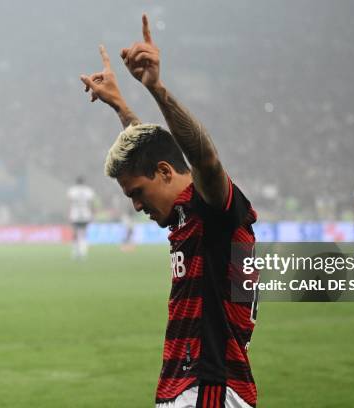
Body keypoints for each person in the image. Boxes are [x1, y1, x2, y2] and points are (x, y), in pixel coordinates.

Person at [80, 14, 258, 408]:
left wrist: (157, 89)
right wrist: (121, 105)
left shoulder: (214, 211)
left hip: (209, 388)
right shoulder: (183, 213)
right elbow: (156, 150)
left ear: (165, 173)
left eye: (137, 193)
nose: (137, 205)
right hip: (188, 386)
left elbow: (204, 159)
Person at [67, 176, 95, 259]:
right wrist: (92, 214)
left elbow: (69, 203)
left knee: (75, 233)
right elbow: (91, 203)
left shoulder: (72, 190)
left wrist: (68, 214)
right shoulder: (88, 191)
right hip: (85, 214)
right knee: (84, 233)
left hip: (75, 214)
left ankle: (75, 252)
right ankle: (83, 252)